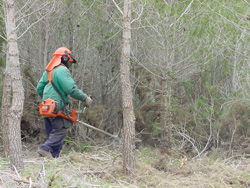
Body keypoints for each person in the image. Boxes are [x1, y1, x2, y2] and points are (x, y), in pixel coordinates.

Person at [36, 47, 92, 159]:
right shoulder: (62, 70)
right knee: (60, 131)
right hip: (57, 107)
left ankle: (54, 157)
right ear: (64, 58)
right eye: (69, 61)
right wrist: (85, 98)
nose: (69, 64)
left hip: (46, 107)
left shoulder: (48, 71)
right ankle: (45, 149)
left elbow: (39, 88)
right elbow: (71, 89)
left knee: (52, 133)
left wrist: (47, 99)